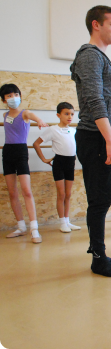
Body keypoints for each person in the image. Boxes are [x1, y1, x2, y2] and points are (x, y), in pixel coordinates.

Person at [70, 5, 111, 277]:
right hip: (96, 137)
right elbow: (94, 100)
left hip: (102, 136)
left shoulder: (99, 57)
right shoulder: (90, 56)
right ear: (96, 25)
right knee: (100, 200)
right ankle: (98, 259)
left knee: (102, 199)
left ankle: (100, 251)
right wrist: (110, 140)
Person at [1, 83, 48, 244]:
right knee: (12, 192)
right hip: (7, 152)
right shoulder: (5, 115)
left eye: (15, 94)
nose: (13, 98)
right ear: (3, 100)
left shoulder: (25, 113)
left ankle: (34, 229)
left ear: (19, 96)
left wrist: (40, 121)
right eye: (8, 96)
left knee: (26, 191)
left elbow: (36, 118)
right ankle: (21, 226)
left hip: (21, 151)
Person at [33, 102, 80, 233]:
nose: (70, 116)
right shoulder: (53, 129)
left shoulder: (73, 130)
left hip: (71, 163)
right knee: (61, 193)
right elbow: (36, 143)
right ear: (58, 115)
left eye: (72, 114)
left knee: (68, 194)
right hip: (59, 163)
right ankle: (62, 222)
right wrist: (43, 159)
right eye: (66, 114)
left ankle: (67, 220)